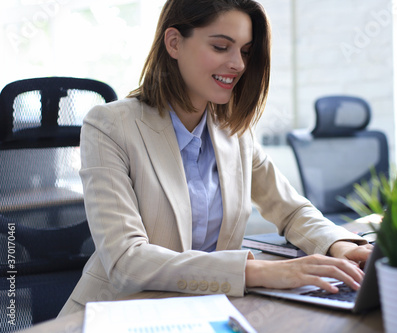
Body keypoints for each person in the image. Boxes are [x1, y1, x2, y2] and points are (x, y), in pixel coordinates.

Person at [59, 0, 373, 316]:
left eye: (246, 51)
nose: (238, 64)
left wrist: (341, 246)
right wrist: (258, 273)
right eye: (222, 47)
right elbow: (127, 260)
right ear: (174, 43)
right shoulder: (110, 125)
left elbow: (290, 211)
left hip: (205, 311)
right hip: (120, 312)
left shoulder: (233, 130)